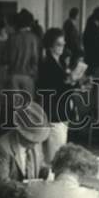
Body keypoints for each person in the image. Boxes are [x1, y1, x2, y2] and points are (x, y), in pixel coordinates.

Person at [0, 100, 50, 187]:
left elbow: (40, 165)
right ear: (21, 133)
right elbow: (1, 185)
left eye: (38, 139)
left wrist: (48, 173)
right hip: (5, 197)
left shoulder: (37, 144)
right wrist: (26, 188)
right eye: (31, 140)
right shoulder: (2, 149)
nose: (36, 143)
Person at [36, 28, 73, 161]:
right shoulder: (48, 65)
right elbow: (54, 88)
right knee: (55, 154)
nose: (62, 47)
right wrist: (71, 83)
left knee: (60, 148)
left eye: (64, 44)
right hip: (54, 111)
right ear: (50, 45)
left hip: (61, 110)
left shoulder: (60, 62)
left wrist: (72, 83)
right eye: (59, 44)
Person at [5, 8, 40, 95]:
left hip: (13, 75)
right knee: (28, 106)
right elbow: (35, 58)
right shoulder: (33, 38)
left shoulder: (12, 37)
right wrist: (34, 73)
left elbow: (6, 57)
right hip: (28, 75)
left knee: (17, 106)